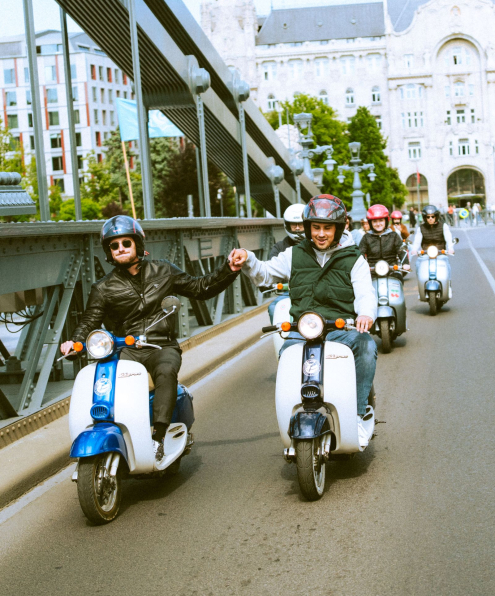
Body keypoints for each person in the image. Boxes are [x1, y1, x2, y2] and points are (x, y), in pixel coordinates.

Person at [60, 215, 240, 459]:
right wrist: (74, 343)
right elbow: (89, 322)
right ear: (108, 251)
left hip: (160, 345)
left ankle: (159, 437)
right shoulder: (103, 288)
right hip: (126, 349)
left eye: (126, 243)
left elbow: (200, 288)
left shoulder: (163, 270)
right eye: (114, 245)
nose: (120, 248)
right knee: (108, 383)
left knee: (166, 370)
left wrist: (229, 269)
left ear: (137, 244)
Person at [229, 194, 378, 448]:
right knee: (287, 356)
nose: (321, 234)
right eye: (315, 227)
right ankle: (292, 416)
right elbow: (265, 274)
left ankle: (358, 413)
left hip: (341, 328)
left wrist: (365, 314)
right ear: (308, 228)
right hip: (304, 329)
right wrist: (248, 258)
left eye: (327, 228)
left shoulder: (354, 259)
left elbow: (365, 293)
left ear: (337, 228)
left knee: (366, 345)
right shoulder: (294, 254)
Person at [267, 204, 305, 322]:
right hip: (289, 291)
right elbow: (271, 266)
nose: (297, 228)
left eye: (301, 224)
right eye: (294, 225)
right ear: (287, 225)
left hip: (313, 292)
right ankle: (281, 334)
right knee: (273, 308)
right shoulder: (280, 247)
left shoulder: (316, 244)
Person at [359, 205, 409, 275]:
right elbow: (360, 253)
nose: (378, 224)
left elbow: (401, 250)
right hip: (372, 271)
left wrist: (405, 263)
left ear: (386, 220)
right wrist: (362, 265)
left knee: (399, 278)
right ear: (370, 222)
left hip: (392, 269)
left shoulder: (394, 235)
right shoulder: (366, 237)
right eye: (375, 221)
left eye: (381, 220)